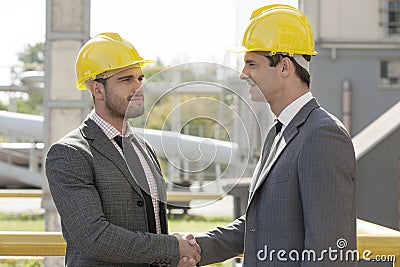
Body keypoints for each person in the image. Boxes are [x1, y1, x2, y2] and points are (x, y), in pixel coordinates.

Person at [191, 5, 357, 266]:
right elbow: (260, 226)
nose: (244, 74)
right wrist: (197, 248)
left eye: (252, 64)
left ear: (284, 67)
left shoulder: (322, 135)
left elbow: (328, 252)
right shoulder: (277, 134)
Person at [45, 32, 200, 267]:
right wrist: (171, 248)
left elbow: (153, 224)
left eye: (140, 78)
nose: (138, 87)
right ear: (97, 89)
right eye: (126, 80)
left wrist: (170, 260)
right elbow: (93, 237)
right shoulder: (70, 154)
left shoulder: (144, 149)